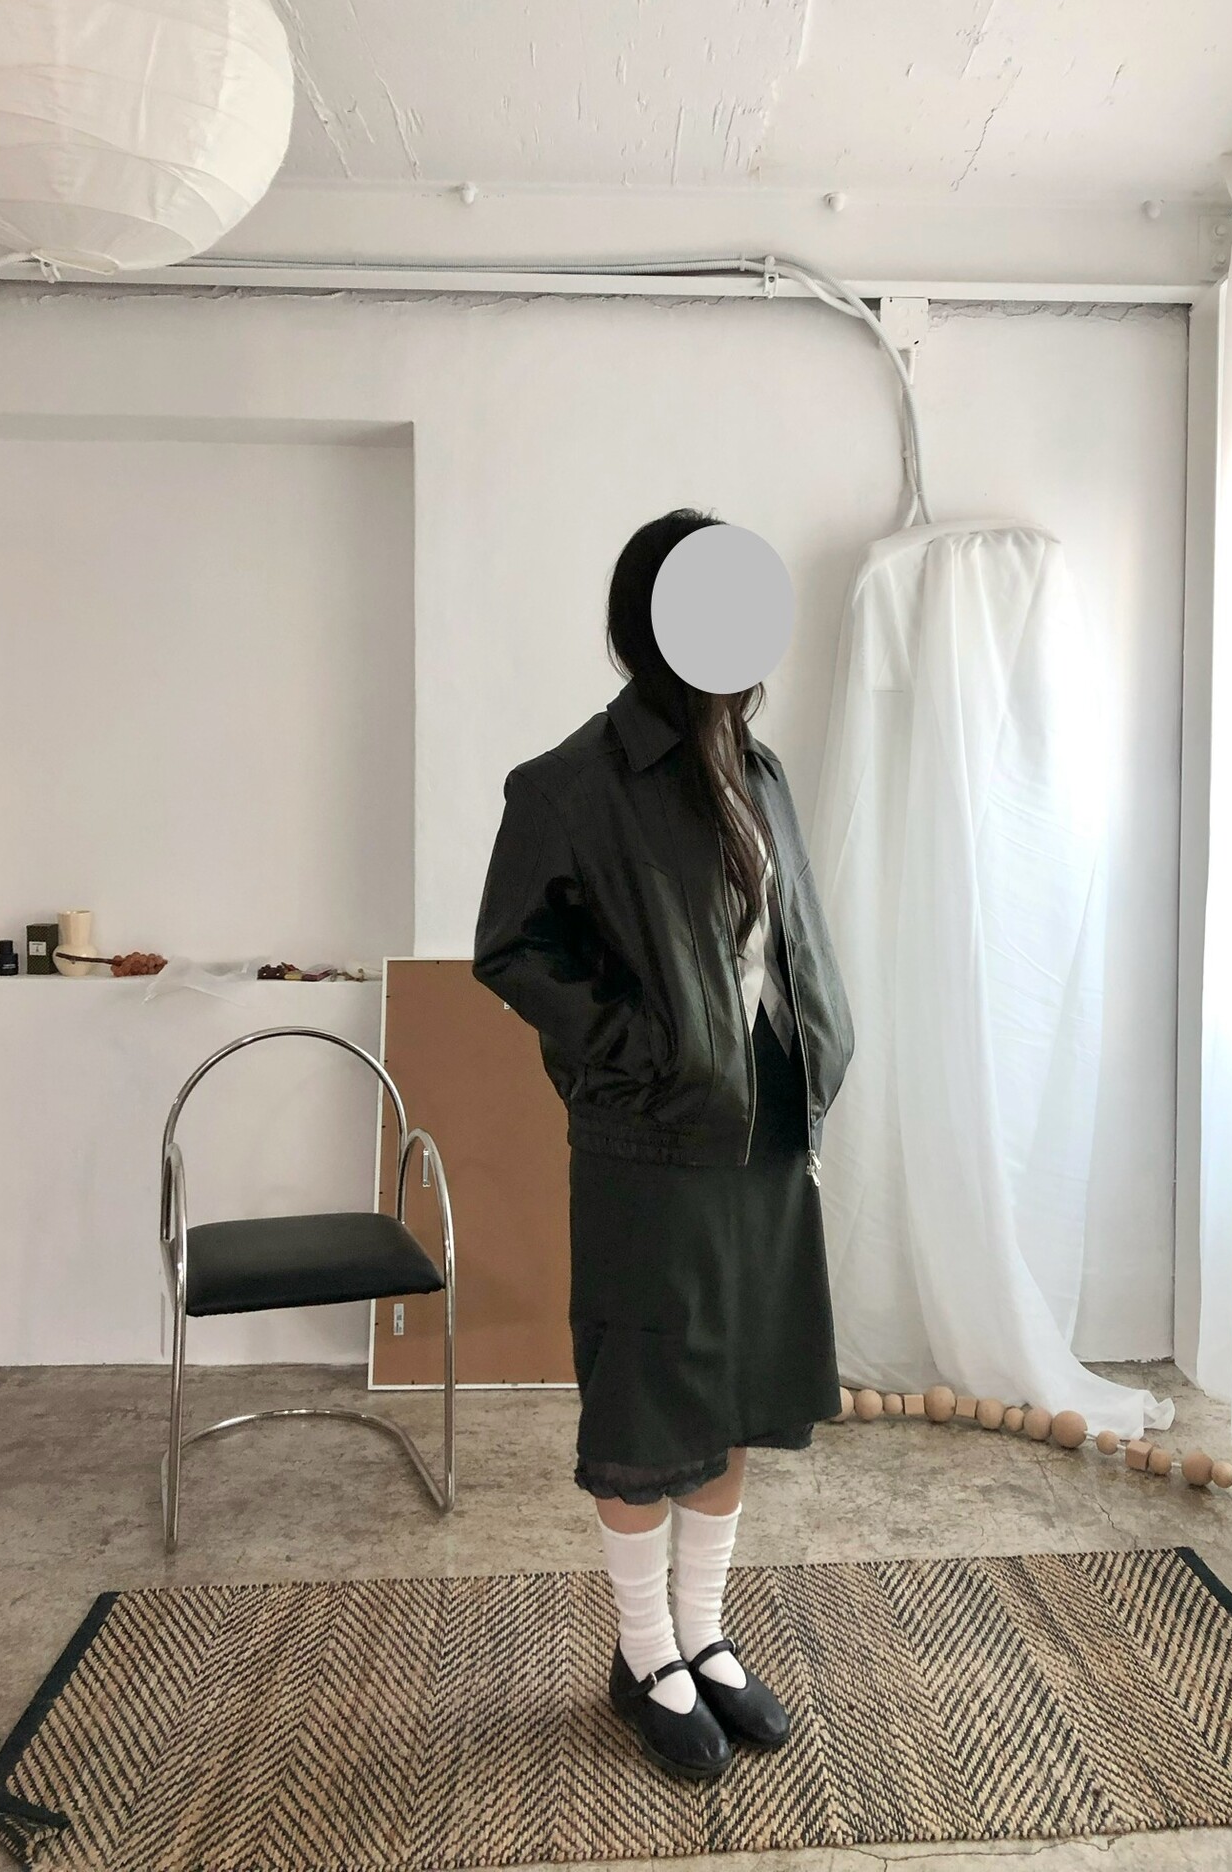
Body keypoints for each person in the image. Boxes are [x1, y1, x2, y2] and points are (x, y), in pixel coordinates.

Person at [472, 507, 856, 1782]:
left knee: (732, 1385)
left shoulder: (757, 768)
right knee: (647, 1399)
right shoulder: (569, 785)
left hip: (765, 1134)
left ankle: (705, 1633)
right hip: (648, 1141)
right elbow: (512, 949)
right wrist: (638, 1049)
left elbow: (776, 939)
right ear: (652, 622)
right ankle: (644, 1654)